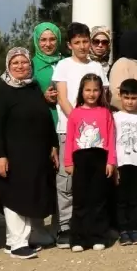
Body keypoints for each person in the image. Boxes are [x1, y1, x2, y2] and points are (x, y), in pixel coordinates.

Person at [0, 47, 59, 259]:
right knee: (15, 196)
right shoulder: (1, 91)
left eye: (24, 62)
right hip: (14, 153)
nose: (20, 66)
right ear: (8, 66)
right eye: (15, 63)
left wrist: (53, 145)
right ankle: (16, 242)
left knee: (32, 193)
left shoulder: (33, 87)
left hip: (37, 153)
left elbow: (45, 118)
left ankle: (32, 234)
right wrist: (0, 155)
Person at [51, 22, 107, 247]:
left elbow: (103, 97)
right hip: (69, 129)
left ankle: (93, 228)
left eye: (86, 41)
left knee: (92, 181)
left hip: (96, 136)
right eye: (78, 42)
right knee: (67, 179)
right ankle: (66, 225)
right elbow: (63, 98)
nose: (83, 46)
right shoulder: (63, 66)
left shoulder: (97, 67)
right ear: (69, 45)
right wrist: (79, 121)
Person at [63, 74, 116, 251]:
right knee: (80, 199)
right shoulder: (75, 113)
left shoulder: (106, 113)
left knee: (98, 199)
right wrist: (68, 161)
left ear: (101, 92)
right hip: (80, 159)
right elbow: (70, 138)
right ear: (81, 91)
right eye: (88, 90)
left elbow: (111, 139)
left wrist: (111, 161)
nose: (91, 94)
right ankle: (78, 238)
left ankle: (98, 236)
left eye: (95, 90)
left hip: (100, 158)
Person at [113, 78, 137, 245]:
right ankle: (123, 230)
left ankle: (134, 228)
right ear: (120, 97)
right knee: (122, 198)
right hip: (121, 163)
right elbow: (112, 141)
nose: (130, 102)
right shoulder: (115, 117)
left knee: (135, 198)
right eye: (126, 97)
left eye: (133, 98)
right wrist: (113, 165)